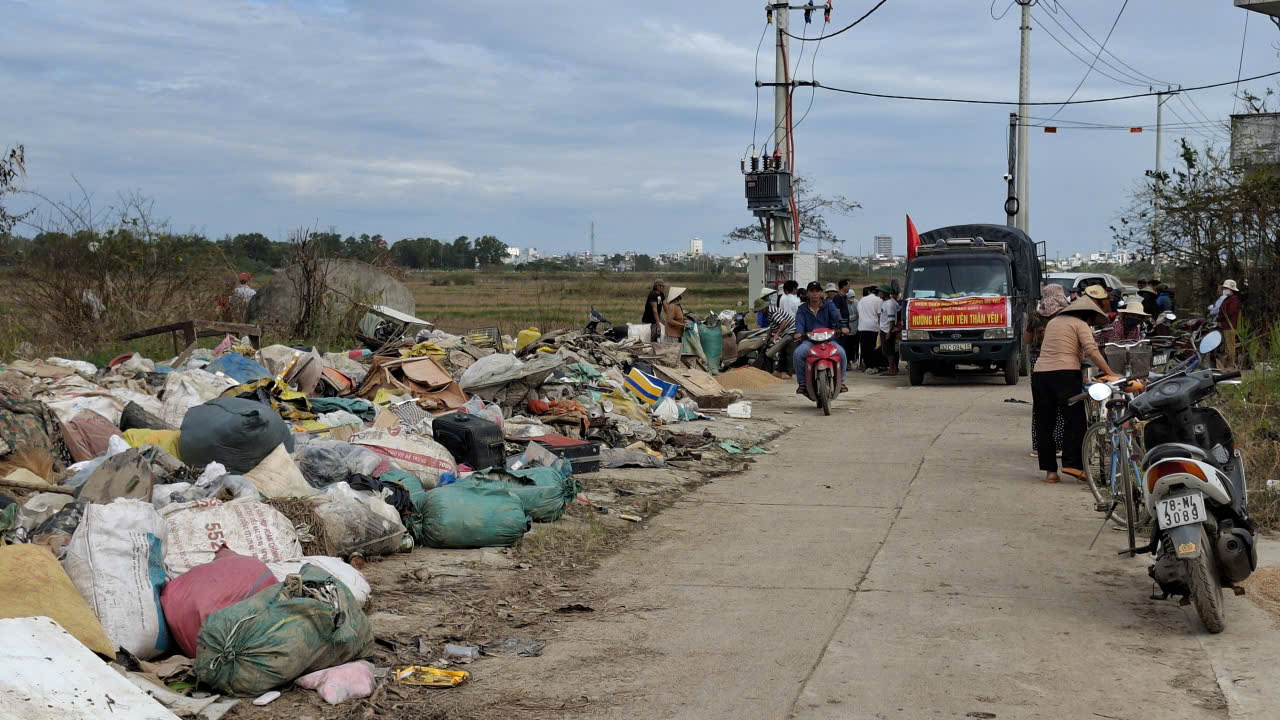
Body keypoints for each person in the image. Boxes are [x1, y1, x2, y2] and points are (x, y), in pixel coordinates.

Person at [1032, 295, 1119, 484]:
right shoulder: (1080, 325)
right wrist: (1110, 372)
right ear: (1087, 316)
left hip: (1040, 375)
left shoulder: (1054, 322)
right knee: (1075, 420)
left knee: (1044, 423)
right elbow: (1091, 351)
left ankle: (1051, 473)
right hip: (1065, 374)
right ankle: (1072, 464)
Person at [792, 281, 849, 395]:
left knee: (841, 353)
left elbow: (837, 317)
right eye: (811, 291)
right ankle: (802, 384)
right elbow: (799, 323)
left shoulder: (829, 305)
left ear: (822, 293)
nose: (814, 294)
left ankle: (841, 382)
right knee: (798, 354)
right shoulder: (802, 309)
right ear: (807, 294)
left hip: (829, 340)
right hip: (810, 341)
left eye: (817, 291)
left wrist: (843, 327)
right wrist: (799, 332)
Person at [856, 285, 884, 373]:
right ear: (877, 292)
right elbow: (879, 315)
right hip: (874, 327)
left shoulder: (862, 300)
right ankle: (874, 366)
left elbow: (858, 312)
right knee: (874, 347)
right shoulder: (879, 300)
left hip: (862, 327)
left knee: (865, 348)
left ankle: (867, 365)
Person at [1219, 280, 1243, 369]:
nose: (1224, 290)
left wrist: (1220, 318)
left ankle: (1230, 365)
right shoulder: (1227, 299)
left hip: (1230, 326)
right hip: (1225, 326)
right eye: (1224, 288)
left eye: (1226, 288)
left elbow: (1230, 312)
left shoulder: (1234, 299)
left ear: (1230, 289)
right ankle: (1228, 365)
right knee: (1227, 347)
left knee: (1230, 347)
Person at [834, 279, 857, 369]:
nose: (849, 287)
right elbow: (837, 313)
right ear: (843, 286)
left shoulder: (844, 297)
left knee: (845, 345)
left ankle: (844, 364)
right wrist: (841, 325)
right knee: (841, 345)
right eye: (848, 285)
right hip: (840, 327)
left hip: (846, 325)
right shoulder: (838, 297)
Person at [878, 285, 900, 376]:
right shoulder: (887, 302)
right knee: (887, 350)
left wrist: (889, 332)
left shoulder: (890, 304)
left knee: (888, 350)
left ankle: (892, 369)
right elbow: (898, 310)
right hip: (884, 329)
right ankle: (893, 367)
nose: (879, 294)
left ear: (885, 293)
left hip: (887, 330)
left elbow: (891, 320)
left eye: (880, 292)